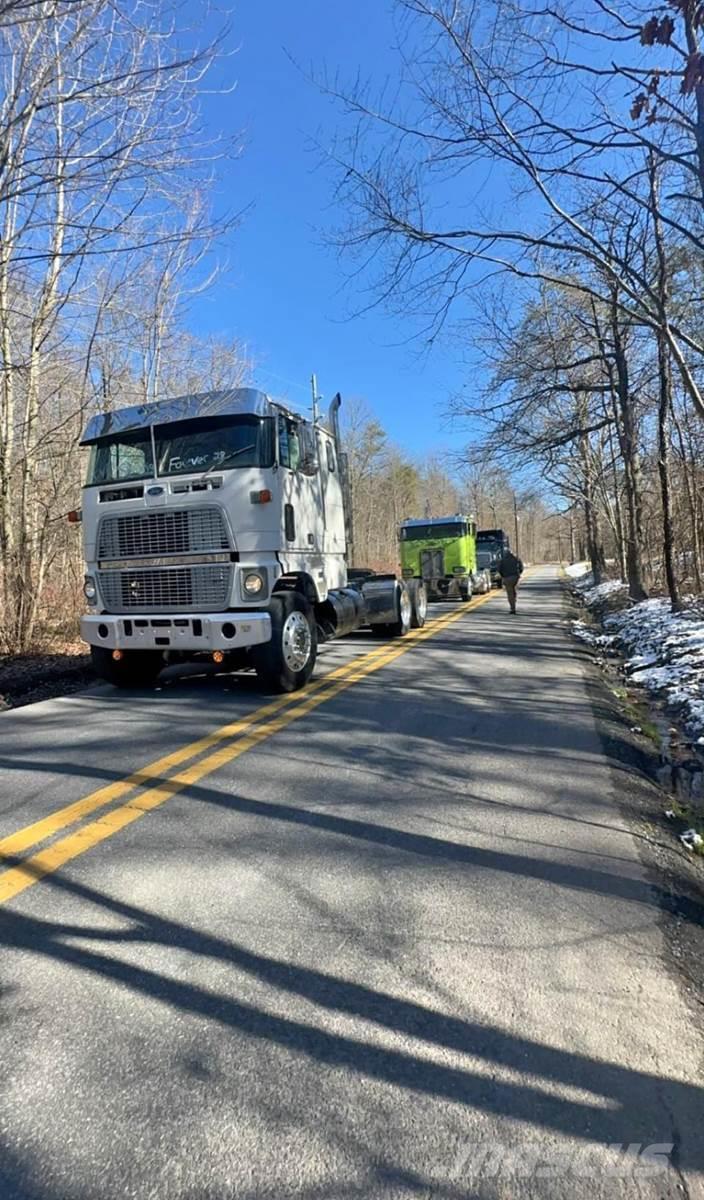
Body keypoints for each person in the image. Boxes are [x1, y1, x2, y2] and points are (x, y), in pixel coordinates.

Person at [498, 549, 524, 614]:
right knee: (513, 589)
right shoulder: (516, 559)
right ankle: (514, 598)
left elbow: (499, 570)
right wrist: (519, 574)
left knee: (510, 593)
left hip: (507, 578)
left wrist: (503, 576)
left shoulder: (502, 560)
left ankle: (513, 608)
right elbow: (521, 567)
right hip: (515, 577)